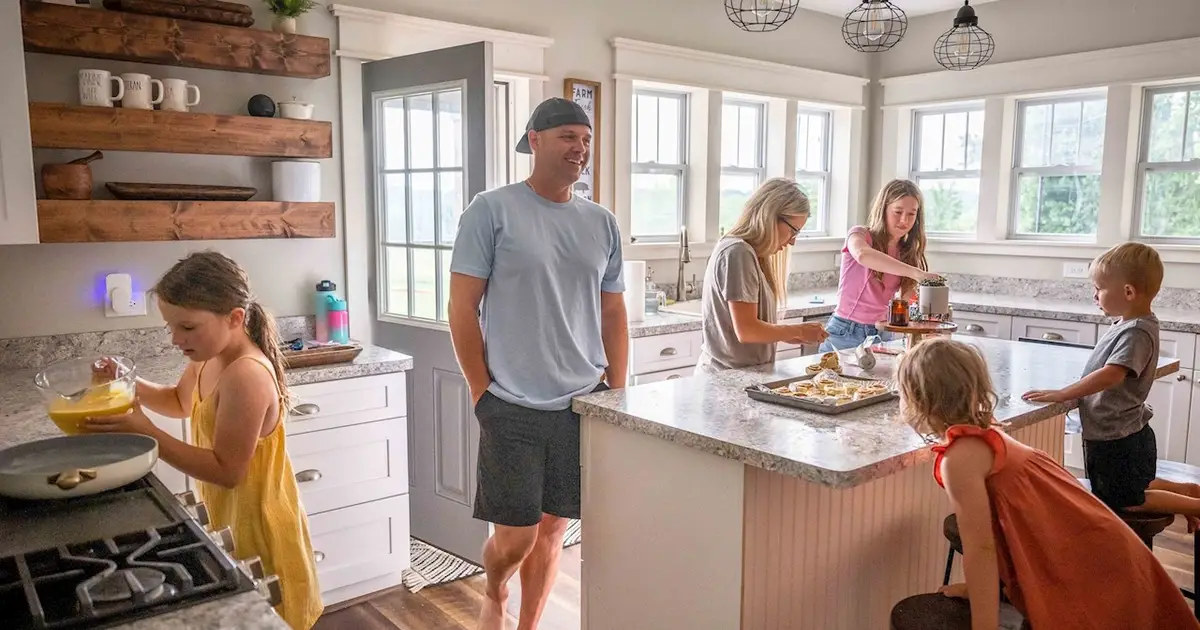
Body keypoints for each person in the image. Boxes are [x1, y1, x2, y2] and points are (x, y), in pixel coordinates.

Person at [447, 97, 628, 630]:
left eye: (586, 139)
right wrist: (480, 390)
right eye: (569, 136)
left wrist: (616, 390)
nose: (580, 148)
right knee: (515, 538)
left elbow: (613, 311)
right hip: (510, 402)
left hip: (582, 401)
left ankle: (526, 626)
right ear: (535, 140)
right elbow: (461, 307)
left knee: (553, 530)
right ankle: (496, 585)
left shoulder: (601, 222)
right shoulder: (491, 210)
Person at [84, 251, 322, 630]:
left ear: (235, 318)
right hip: (230, 519)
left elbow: (228, 471)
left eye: (188, 327)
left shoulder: (245, 375)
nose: (176, 339)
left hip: (260, 526)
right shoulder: (208, 356)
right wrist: (126, 382)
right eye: (171, 326)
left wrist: (147, 432)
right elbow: (180, 402)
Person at [897, 337, 1198, 630]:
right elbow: (1000, 529)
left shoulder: (959, 460)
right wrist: (979, 590)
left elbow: (981, 549)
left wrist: (984, 623)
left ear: (919, 400)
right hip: (1092, 542)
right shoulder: (983, 434)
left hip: (1085, 556)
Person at [1023, 243, 1200, 528]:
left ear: (1128, 292)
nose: (1094, 295)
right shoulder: (1126, 324)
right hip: (1115, 432)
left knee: (1127, 500)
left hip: (1120, 437)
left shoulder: (1137, 331)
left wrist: (1064, 394)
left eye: (1099, 288)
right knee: (1129, 486)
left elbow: (1112, 375)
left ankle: (1195, 504)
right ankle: (1187, 491)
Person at [696, 177, 827, 371]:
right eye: (793, 231)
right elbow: (747, 330)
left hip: (742, 375)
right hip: (726, 377)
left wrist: (793, 335)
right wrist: (798, 330)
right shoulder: (738, 252)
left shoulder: (751, 253)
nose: (792, 241)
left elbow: (750, 329)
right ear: (770, 217)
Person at [819, 179, 941, 353]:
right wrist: (917, 273)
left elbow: (905, 301)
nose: (904, 220)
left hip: (883, 333)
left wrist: (926, 322)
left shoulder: (907, 252)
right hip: (845, 331)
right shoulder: (860, 235)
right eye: (898, 212)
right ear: (883, 209)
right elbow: (863, 255)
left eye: (911, 214)